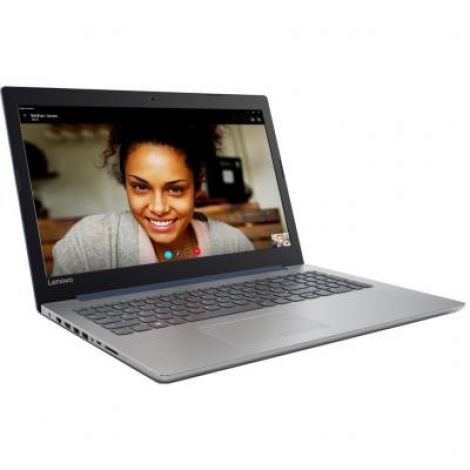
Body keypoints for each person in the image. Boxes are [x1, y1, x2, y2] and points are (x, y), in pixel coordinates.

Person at [52, 120, 254, 276]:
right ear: (125, 183)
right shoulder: (87, 245)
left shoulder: (233, 245)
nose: (158, 208)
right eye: (141, 187)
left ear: (197, 185)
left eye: (175, 189)